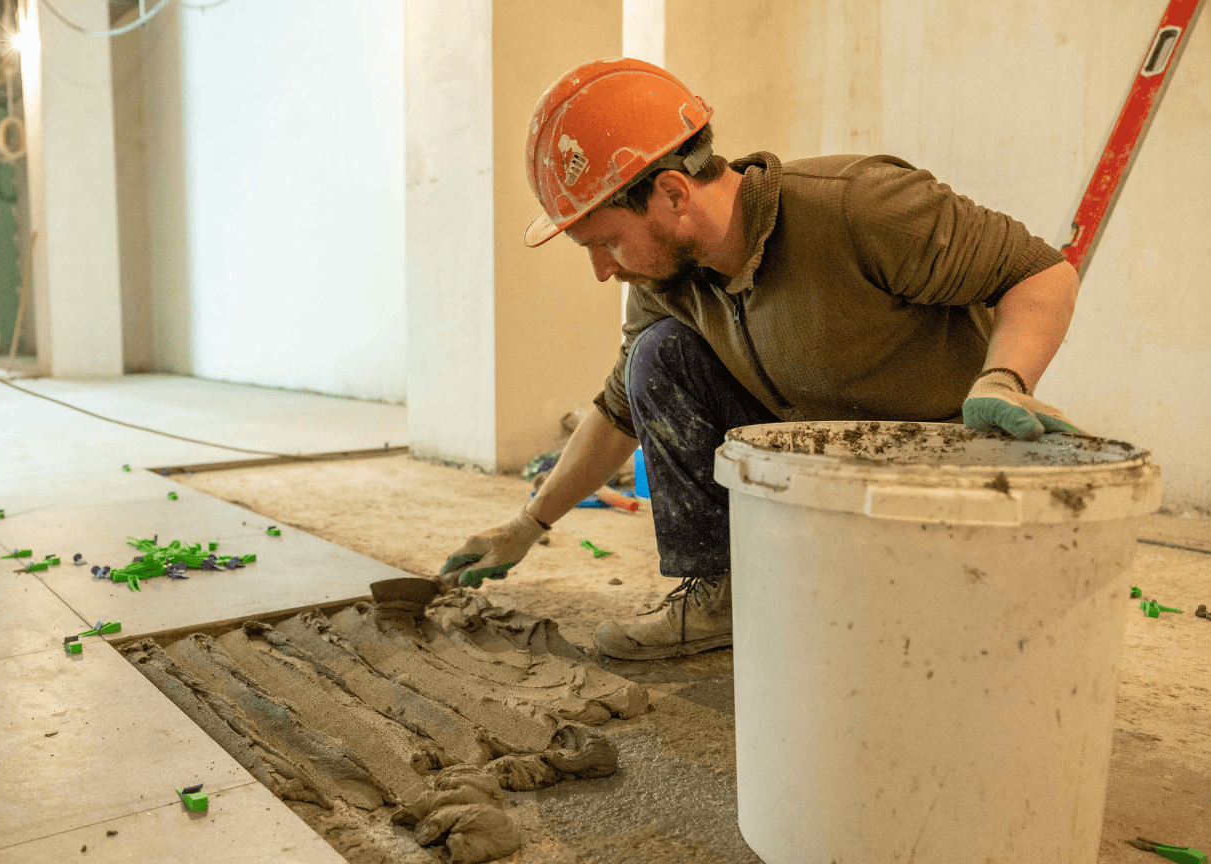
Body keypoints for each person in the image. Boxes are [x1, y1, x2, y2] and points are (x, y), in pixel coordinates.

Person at [439, 57, 1082, 660]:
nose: (603, 270)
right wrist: (527, 525)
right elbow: (617, 412)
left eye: (606, 242)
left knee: (925, 637)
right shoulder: (666, 282)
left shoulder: (858, 205)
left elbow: (1040, 272)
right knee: (657, 359)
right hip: (813, 461)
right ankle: (721, 592)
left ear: (671, 192)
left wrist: (1005, 377)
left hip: (930, 461)